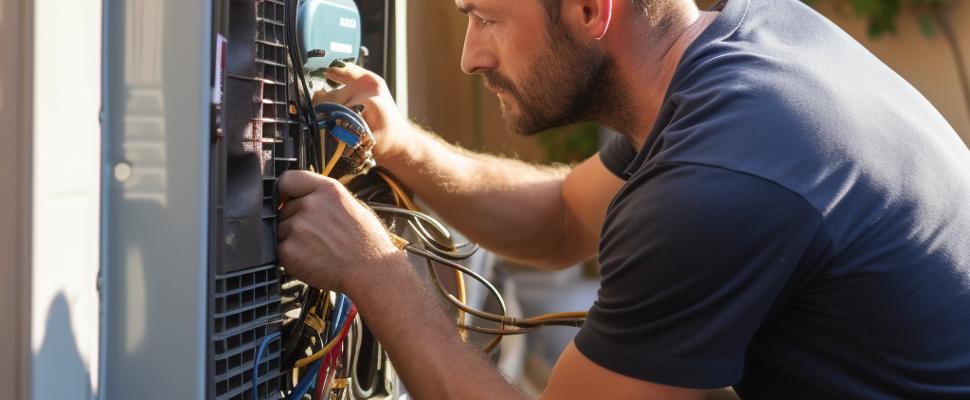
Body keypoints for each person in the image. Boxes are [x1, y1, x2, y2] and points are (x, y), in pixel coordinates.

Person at [276, 0, 970, 397]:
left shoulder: (721, 181)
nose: (470, 56)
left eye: (487, 17)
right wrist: (405, 147)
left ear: (588, 9)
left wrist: (375, 272)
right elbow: (562, 220)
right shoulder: (749, 52)